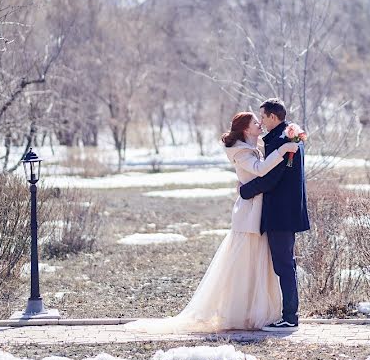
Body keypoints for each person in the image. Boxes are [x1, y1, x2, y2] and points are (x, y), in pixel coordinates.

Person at [126, 112, 299, 333]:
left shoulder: (253, 148)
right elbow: (260, 171)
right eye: (256, 122)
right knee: (243, 264)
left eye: (260, 120)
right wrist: (282, 150)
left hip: (259, 212)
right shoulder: (241, 151)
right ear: (246, 129)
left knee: (256, 264)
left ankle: (255, 311)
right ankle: (239, 312)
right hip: (248, 215)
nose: (260, 124)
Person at [238, 98, 310, 330]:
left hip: (281, 212)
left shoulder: (282, 139)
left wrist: (245, 190)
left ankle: (290, 316)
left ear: (272, 117)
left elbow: (271, 177)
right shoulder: (289, 136)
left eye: (263, 117)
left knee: (284, 265)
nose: (261, 122)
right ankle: (288, 314)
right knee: (285, 264)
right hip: (287, 210)